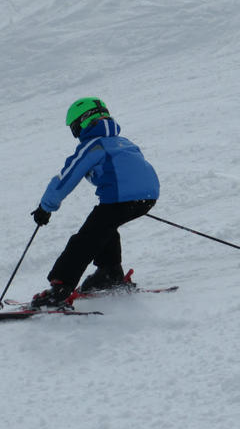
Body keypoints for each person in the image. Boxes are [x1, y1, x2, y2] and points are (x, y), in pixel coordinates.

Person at [29, 97, 160, 309]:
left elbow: (66, 178)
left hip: (120, 200)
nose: (75, 134)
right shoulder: (124, 141)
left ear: (84, 122)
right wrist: (135, 199)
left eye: (74, 128)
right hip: (147, 198)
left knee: (85, 239)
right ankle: (109, 272)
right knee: (104, 227)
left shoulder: (93, 146)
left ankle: (60, 287)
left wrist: (46, 207)